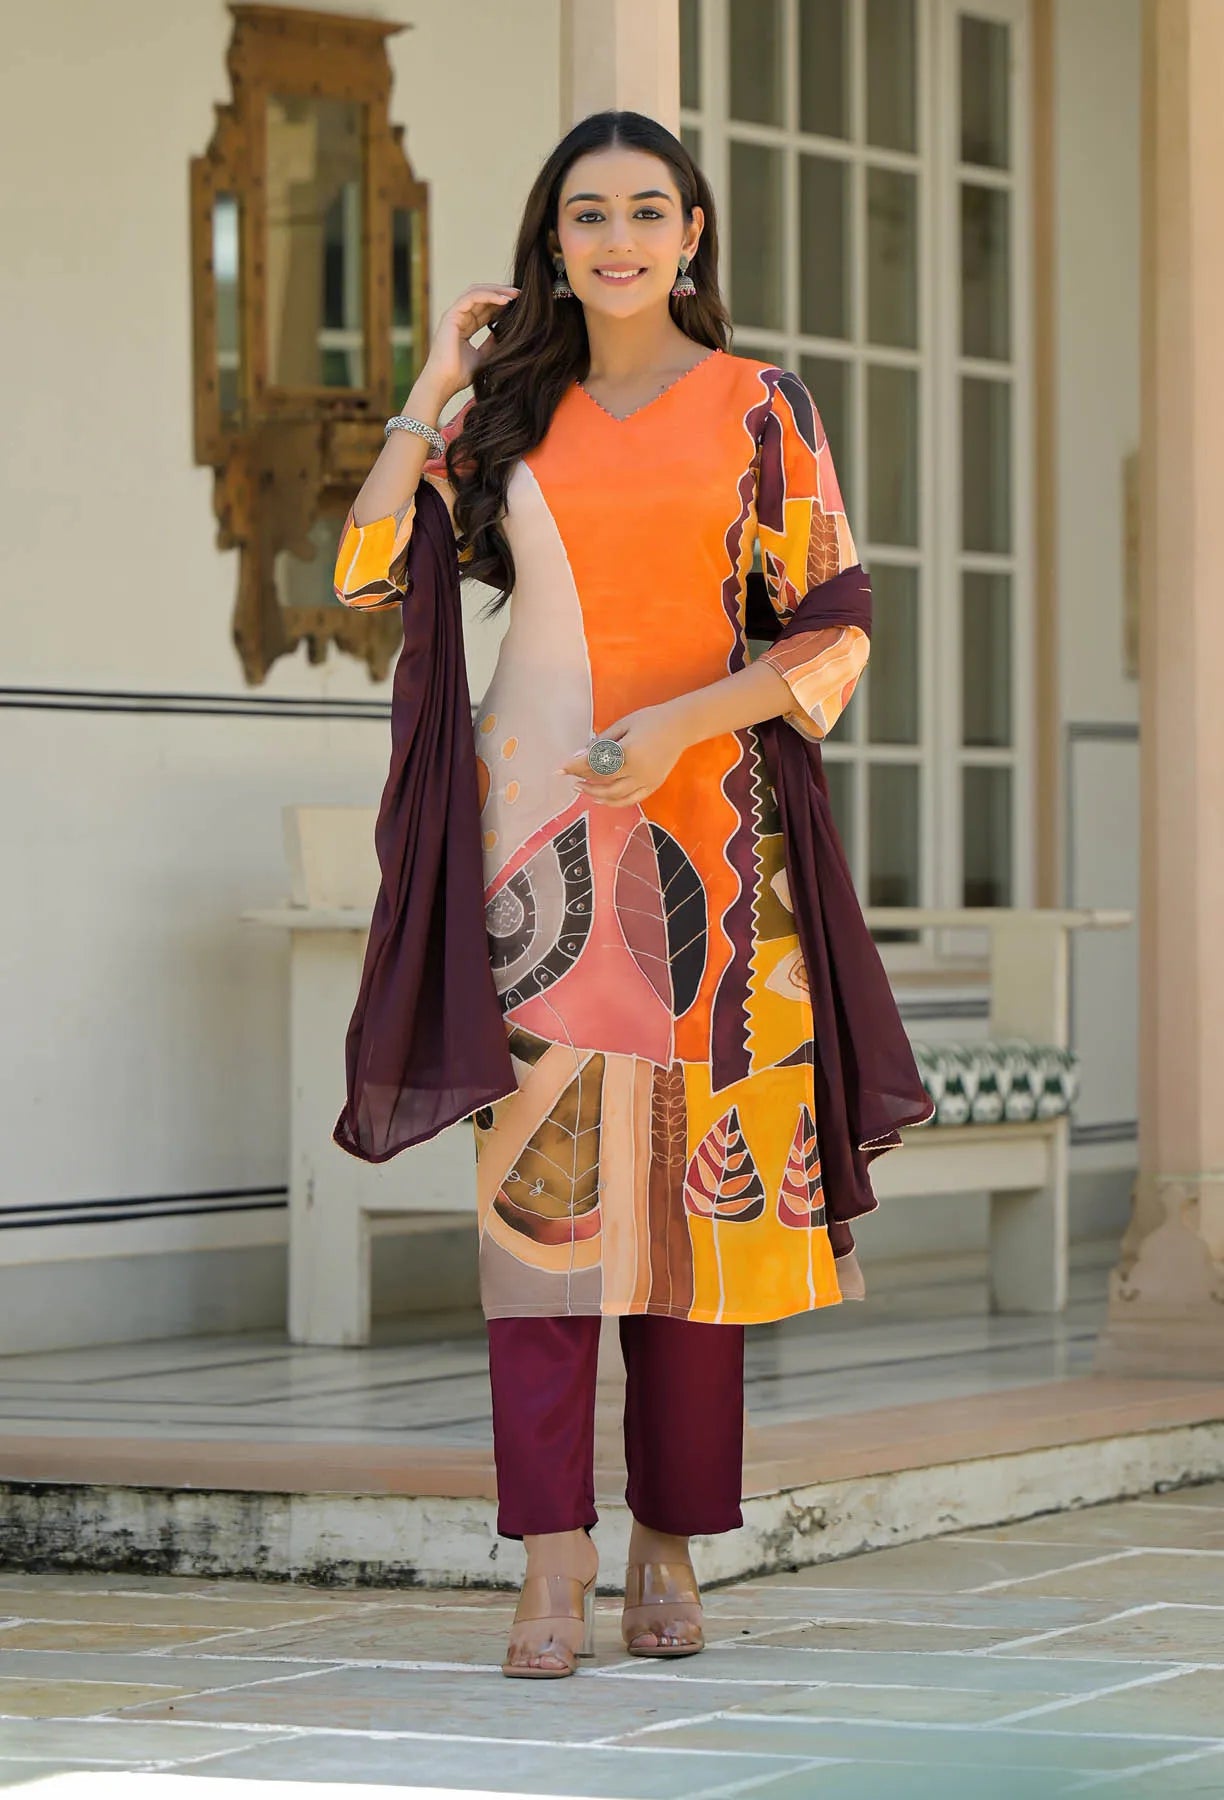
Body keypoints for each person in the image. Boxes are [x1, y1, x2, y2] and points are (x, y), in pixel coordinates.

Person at [333, 110, 920, 1679]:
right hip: (529, 858)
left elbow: (839, 630)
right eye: (585, 213)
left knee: (691, 1222)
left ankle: (669, 1547)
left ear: (693, 233)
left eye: (646, 210)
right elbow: (369, 569)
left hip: (722, 853)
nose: (616, 237)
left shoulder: (761, 407)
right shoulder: (513, 412)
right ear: (552, 239)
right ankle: (551, 1561)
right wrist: (431, 390)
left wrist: (679, 723)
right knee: (537, 1223)